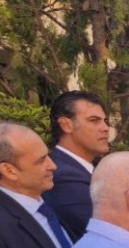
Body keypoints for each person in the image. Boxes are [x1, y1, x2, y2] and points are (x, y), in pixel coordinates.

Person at [42, 90, 111, 238]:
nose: (105, 128)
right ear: (66, 125)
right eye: (94, 120)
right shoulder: (61, 175)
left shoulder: (81, 169)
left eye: (105, 121)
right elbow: (104, 232)